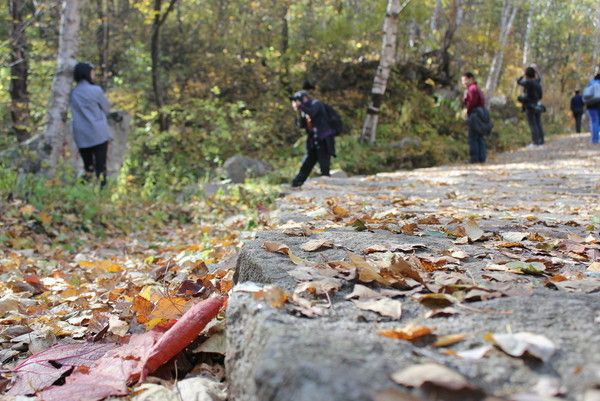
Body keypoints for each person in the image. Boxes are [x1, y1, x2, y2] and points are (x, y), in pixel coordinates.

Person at [70, 62, 112, 188]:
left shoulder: (73, 93)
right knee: (101, 166)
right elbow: (107, 108)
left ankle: (83, 191)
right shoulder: (96, 90)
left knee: (88, 166)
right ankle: (102, 191)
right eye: (92, 72)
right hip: (98, 133)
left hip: (81, 134)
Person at [290, 90, 336, 187]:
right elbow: (302, 125)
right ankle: (296, 183)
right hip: (313, 141)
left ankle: (327, 187)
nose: (297, 102)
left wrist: (300, 107)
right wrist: (298, 112)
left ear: (305, 98)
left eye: (298, 100)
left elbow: (312, 113)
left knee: (324, 164)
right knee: (307, 163)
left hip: (324, 139)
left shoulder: (316, 104)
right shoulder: (304, 110)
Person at [461, 72, 487, 163]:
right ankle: (481, 157)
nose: (463, 83)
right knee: (480, 136)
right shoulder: (476, 88)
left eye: (465, 80)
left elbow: (471, 102)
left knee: (473, 136)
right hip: (481, 113)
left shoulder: (472, 89)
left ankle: (474, 158)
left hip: (475, 114)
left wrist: (467, 112)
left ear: (471, 79)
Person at [517, 66, 545, 147]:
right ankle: (541, 141)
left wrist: (521, 99)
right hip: (537, 105)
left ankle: (535, 142)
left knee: (532, 124)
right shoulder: (537, 83)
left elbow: (519, 82)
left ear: (526, 74)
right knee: (538, 123)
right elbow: (540, 96)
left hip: (530, 106)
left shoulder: (528, 82)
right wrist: (536, 72)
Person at [585, 73, 600, 144]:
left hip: (591, 105)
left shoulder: (591, 83)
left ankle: (595, 140)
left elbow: (586, 94)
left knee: (594, 121)